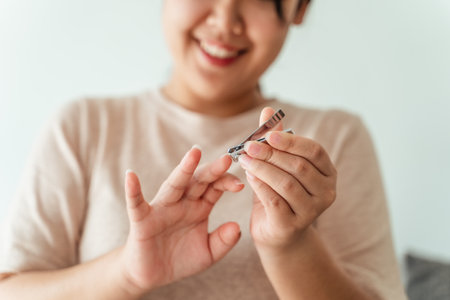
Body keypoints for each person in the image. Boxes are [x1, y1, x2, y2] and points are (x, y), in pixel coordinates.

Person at [0, 0, 407, 299]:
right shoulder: (84, 126)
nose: (224, 21)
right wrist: (127, 273)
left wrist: (290, 245)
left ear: (299, 8)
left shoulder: (333, 140)